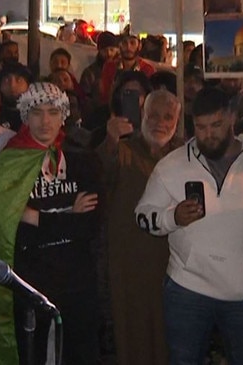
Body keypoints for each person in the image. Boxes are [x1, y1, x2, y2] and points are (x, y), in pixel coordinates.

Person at [135, 87, 243, 365]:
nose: (208, 134)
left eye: (216, 125)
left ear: (232, 118)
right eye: (201, 126)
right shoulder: (172, 165)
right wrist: (173, 218)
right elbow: (143, 214)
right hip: (186, 288)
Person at [0, 83, 103, 365]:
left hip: (77, 280)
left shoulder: (83, 159)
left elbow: (90, 226)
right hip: (31, 281)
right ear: (25, 116)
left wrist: (34, 216)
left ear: (64, 116)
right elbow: (7, 223)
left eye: (52, 112)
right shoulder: (9, 162)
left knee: (80, 353)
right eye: (37, 112)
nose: (45, 121)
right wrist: (69, 214)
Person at [98, 89, 184, 365]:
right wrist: (110, 141)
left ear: (178, 120)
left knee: (174, 333)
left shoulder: (185, 155)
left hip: (176, 262)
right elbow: (101, 177)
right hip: (130, 262)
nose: (160, 122)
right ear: (142, 115)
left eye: (168, 117)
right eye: (154, 115)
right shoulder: (123, 150)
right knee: (133, 333)